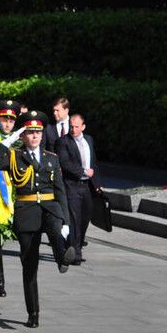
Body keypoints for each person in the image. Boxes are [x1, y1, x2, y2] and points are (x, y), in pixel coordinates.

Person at [0, 110, 73, 328]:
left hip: (50, 206)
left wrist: (67, 223)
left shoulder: (52, 159)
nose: (35, 136)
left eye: (38, 132)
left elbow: (60, 191)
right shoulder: (15, 156)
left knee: (55, 228)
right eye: (30, 133)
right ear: (24, 136)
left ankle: (62, 257)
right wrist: (10, 140)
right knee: (29, 265)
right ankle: (33, 313)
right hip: (26, 210)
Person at [0, 99, 24, 297]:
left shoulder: (22, 142)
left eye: (11, 119)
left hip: (19, 195)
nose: (8, 123)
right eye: (4, 119)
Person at [55, 112, 100, 265]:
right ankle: (76, 253)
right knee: (74, 219)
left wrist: (97, 183)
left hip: (87, 186)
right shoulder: (63, 142)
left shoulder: (89, 140)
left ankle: (74, 246)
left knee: (85, 217)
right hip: (72, 186)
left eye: (76, 127)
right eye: (71, 126)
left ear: (83, 127)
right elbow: (65, 163)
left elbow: (93, 163)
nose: (73, 129)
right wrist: (83, 172)